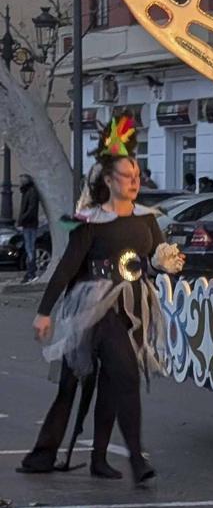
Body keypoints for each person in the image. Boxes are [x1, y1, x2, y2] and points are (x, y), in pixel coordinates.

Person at [19, 125, 184, 484]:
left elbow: (154, 256)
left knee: (116, 379)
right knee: (75, 383)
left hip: (134, 305)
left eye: (137, 176)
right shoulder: (90, 221)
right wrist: (44, 312)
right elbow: (66, 267)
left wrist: (163, 262)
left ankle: (101, 458)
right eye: (126, 176)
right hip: (93, 305)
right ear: (109, 181)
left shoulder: (146, 218)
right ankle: (46, 453)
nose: (134, 182)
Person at [17, 174, 40, 282]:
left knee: (30, 248)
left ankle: (31, 273)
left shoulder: (31, 192)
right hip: (28, 224)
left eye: (21, 180)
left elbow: (31, 210)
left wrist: (21, 220)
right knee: (29, 248)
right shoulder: (27, 192)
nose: (19, 183)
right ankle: (30, 272)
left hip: (29, 224)